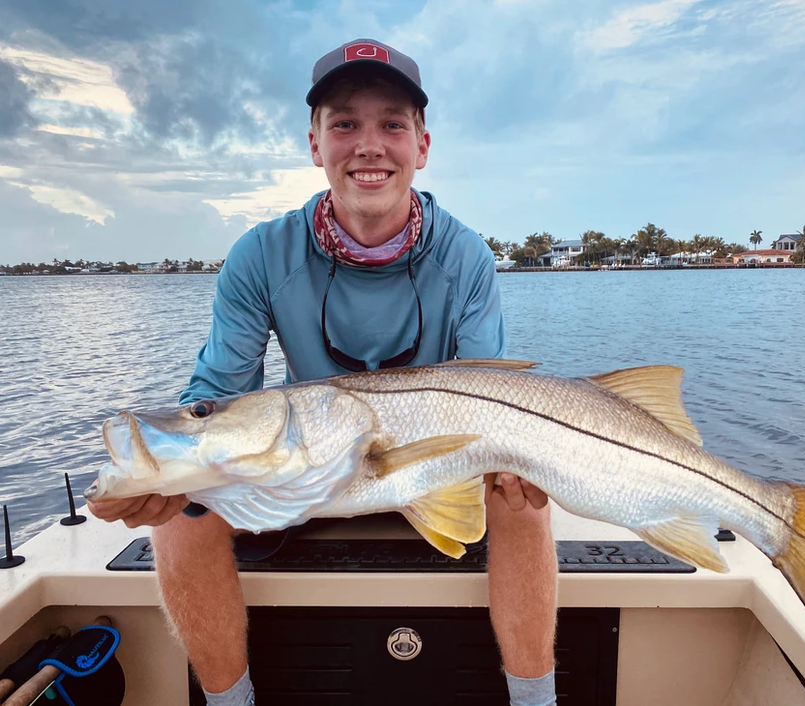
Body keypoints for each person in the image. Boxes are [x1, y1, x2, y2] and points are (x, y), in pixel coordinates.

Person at [88, 38, 559, 706]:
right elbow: (218, 394)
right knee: (182, 515)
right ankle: (230, 702)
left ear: (422, 146)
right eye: (344, 124)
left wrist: (510, 462)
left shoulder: (467, 257)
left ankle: (536, 702)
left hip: (432, 466)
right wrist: (163, 473)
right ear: (315, 144)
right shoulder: (259, 255)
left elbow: (488, 388)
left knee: (523, 503)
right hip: (305, 470)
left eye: (392, 124)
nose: (369, 145)